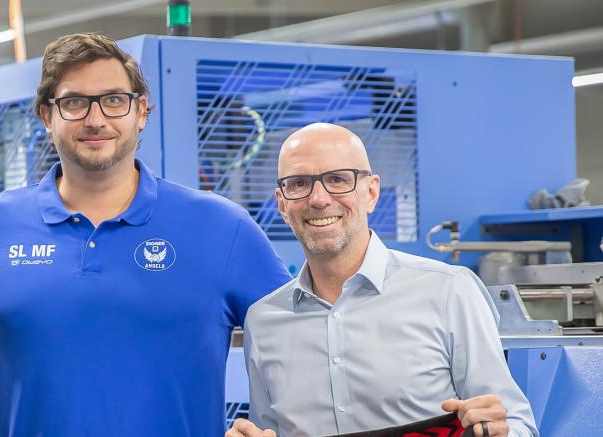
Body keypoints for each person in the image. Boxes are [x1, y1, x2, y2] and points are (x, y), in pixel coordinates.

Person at [0, 32, 292, 436]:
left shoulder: (222, 228)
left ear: (140, 111)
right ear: (46, 116)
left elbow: (300, 342)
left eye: (113, 100)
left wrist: (269, 429)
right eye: (74, 103)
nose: (96, 119)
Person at [227, 123, 538, 437]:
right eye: (298, 183)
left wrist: (502, 432)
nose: (319, 199)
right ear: (282, 204)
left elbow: (517, 425)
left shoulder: (448, 291)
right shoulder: (264, 320)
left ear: (371, 193)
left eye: (337, 179)